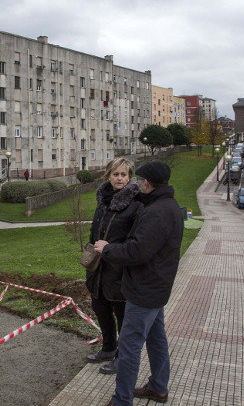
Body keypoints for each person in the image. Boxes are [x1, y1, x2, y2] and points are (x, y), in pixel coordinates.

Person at [94, 161, 183, 406]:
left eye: (139, 180)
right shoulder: (168, 205)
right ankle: (158, 388)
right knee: (156, 339)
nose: (136, 184)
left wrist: (108, 248)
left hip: (144, 289)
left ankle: (121, 399)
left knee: (130, 346)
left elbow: (137, 251)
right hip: (157, 286)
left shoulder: (157, 212)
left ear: (146, 183)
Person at [86, 158, 143, 375]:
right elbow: (95, 231)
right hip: (98, 268)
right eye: (115, 174)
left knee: (123, 316)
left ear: (130, 177)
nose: (119, 178)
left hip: (119, 269)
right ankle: (108, 348)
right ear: (108, 176)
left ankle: (123, 358)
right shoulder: (103, 200)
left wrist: (111, 248)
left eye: (124, 175)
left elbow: (136, 240)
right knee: (100, 308)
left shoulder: (136, 205)